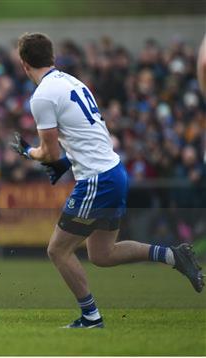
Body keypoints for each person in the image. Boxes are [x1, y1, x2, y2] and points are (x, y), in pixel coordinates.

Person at [11, 33, 204, 328]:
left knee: (57, 250)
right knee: (102, 254)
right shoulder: (72, 81)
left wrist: (28, 152)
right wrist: (63, 162)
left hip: (97, 179)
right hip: (114, 171)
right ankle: (172, 256)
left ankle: (91, 316)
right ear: (52, 57)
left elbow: (48, 151)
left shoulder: (43, 95)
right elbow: (80, 137)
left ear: (24, 64)